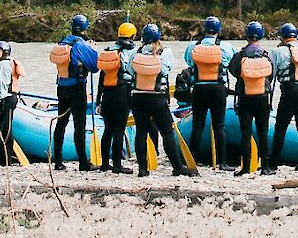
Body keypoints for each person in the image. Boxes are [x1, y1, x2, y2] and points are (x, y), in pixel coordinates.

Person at [125, 24, 193, 176]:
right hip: (157, 98)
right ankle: (177, 167)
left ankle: (142, 169)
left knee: (141, 132)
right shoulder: (165, 53)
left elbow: (129, 71)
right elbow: (166, 69)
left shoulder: (135, 53)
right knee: (167, 132)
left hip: (138, 98)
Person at [48, 15, 99, 170]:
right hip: (77, 88)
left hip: (62, 87)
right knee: (79, 124)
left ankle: (57, 162)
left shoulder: (63, 42)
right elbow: (95, 67)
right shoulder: (81, 45)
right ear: (84, 29)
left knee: (61, 123)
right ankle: (83, 163)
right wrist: (93, 49)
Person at [184, 16, 231, 169]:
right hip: (217, 89)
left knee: (197, 125)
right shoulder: (225, 47)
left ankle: (193, 160)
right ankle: (223, 162)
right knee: (219, 126)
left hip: (199, 88)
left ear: (204, 30)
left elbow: (189, 62)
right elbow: (229, 63)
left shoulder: (193, 46)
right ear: (219, 30)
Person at [229, 23, 275, 175]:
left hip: (245, 97)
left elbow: (233, 71)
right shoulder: (267, 55)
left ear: (247, 35)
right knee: (263, 133)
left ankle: (246, 167)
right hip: (262, 98)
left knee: (245, 133)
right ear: (261, 36)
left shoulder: (240, 55)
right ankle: (266, 167)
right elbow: (271, 74)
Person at [270, 24, 298, 172]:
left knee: (281, 127)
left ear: (282, 37)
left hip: (290, 90)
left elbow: (271, 74)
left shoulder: (278, 51)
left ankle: (273, 163)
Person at [96, 24, 135, 174]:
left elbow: (101, 78)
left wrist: (99, 100)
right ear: (132, 36)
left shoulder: (108, 51)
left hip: (107, 94)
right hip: (122, 93)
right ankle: (117, 165)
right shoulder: (130, 52)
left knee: (108, 130)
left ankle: (105, 163)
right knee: (119, 130)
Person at [0, 42, 21, 159]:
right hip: (9, 97)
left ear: (5, 52)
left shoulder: (3, 65)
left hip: (5, 99)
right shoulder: (7, 63)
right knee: (6, 129)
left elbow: (1, 83)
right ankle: (5, 158)